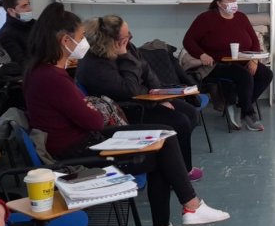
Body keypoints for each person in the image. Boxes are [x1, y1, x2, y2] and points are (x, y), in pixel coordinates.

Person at [24, 3, 229, 226]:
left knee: (164, 137)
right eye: (80, 37)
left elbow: (88, 114)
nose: (83, 42)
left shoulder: (43, 72)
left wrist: (88, 107)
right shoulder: (53, 77)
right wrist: (88, 108)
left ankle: (178, 219)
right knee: (164, 144)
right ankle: (181, 216)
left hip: (84, 139)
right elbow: (94, 121)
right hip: (80, 149)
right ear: (65, 41)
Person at [77, 15, 203, 181]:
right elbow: (129, 90)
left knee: (190, 113)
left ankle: (178, 165)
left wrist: (161, 97)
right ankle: (179, 172)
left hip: (143, 99)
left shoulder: (126, 46)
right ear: (112, 41)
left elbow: (146, 70)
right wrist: (124, 56)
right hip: (125, 109)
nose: (130, 39)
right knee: (180, 121)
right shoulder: (95, 65)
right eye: (125, 37)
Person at [183, 0, 272, 132]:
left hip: (241, 60)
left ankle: (238, 105)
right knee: (244, 76)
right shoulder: (206, 18)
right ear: (219, 3)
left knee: (266, 74)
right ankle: (248, 114)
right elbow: (188, 41)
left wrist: (254, 60)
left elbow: (255, 42)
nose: (233, 2)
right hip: (215, 64)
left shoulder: (241, 18)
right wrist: (202, 54)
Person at [0, 0, 36, 64]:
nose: (30, 9)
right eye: (24, 6)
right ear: (11, 11)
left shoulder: (36, 24)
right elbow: (22, 63)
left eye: (29, 4)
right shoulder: (6, 35)